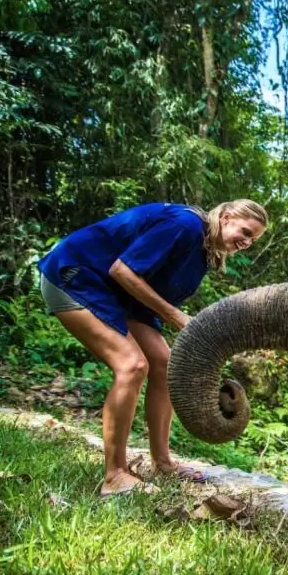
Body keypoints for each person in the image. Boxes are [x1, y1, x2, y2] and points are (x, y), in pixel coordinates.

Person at [37, 200, 268, 497]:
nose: (247, 242)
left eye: (253, 239)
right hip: (74, 276)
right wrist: (174, 316)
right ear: (225, 216)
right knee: (132, 365)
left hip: (116, 296)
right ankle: (115, 475)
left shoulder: (203, 251)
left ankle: (162, 463)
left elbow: (148, 293)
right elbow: (122, 271)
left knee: (164, 364)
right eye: (246, 231)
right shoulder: (184, 227)